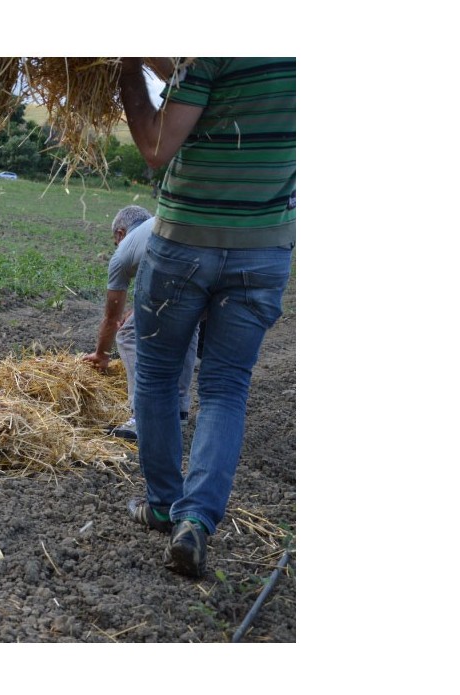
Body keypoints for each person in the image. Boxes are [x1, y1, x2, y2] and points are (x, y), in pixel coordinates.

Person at [118, 57, 295, 578]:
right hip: (265, 249)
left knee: (156, 375)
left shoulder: (219, 45)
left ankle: (161, 504)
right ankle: (195, 519)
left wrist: (127, 69)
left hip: (183, 244)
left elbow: (155, 148)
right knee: (225, 388)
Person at [80, 205, 199, 441]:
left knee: (127, 334)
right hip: (210, 266)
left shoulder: (123, 250)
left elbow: (111, 317)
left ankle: (141, 414)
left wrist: (102, 354)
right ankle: (179, 411)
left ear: (121, 234)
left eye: (115, 241)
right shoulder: (156, 224)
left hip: (174, 275)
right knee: (188, 327)